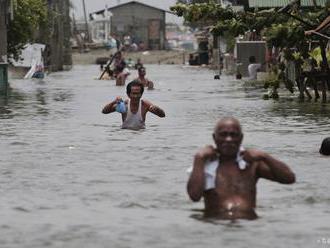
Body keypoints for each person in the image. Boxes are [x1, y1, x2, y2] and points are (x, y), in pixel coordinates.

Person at [188, 117, 295, 220]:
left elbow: (289, 179)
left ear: (241, 138)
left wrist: (265, 156)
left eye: (233, 135)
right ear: (214, 138)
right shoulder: (206, 164)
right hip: (216, 222)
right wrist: (198, 159)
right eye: (223, 135)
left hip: (248, 223)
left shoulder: (251, 164)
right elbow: (194, 196)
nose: (228, 139)